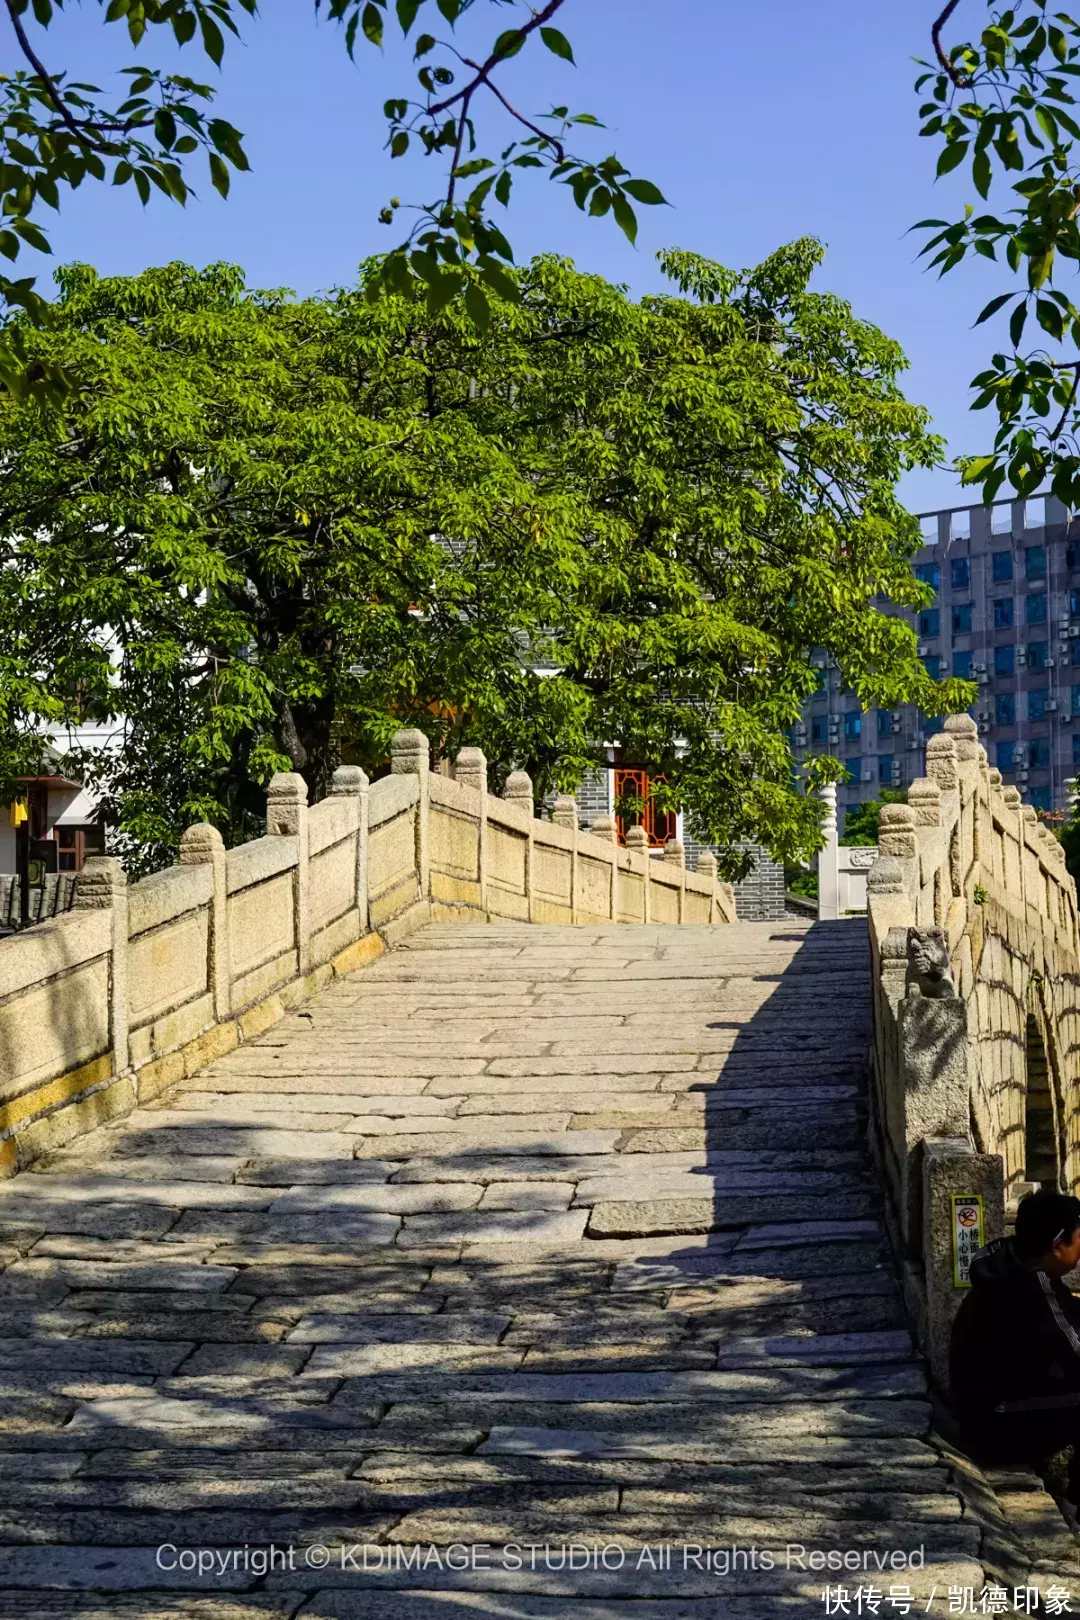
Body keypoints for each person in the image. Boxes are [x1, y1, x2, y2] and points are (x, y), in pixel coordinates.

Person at [950, 1189, 1080, 1486]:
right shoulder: (1034, 1286)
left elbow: (1067, 1313)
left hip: (978, 1412)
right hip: (996, 1426)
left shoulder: (1008, 1261)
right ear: (1058, 1245)